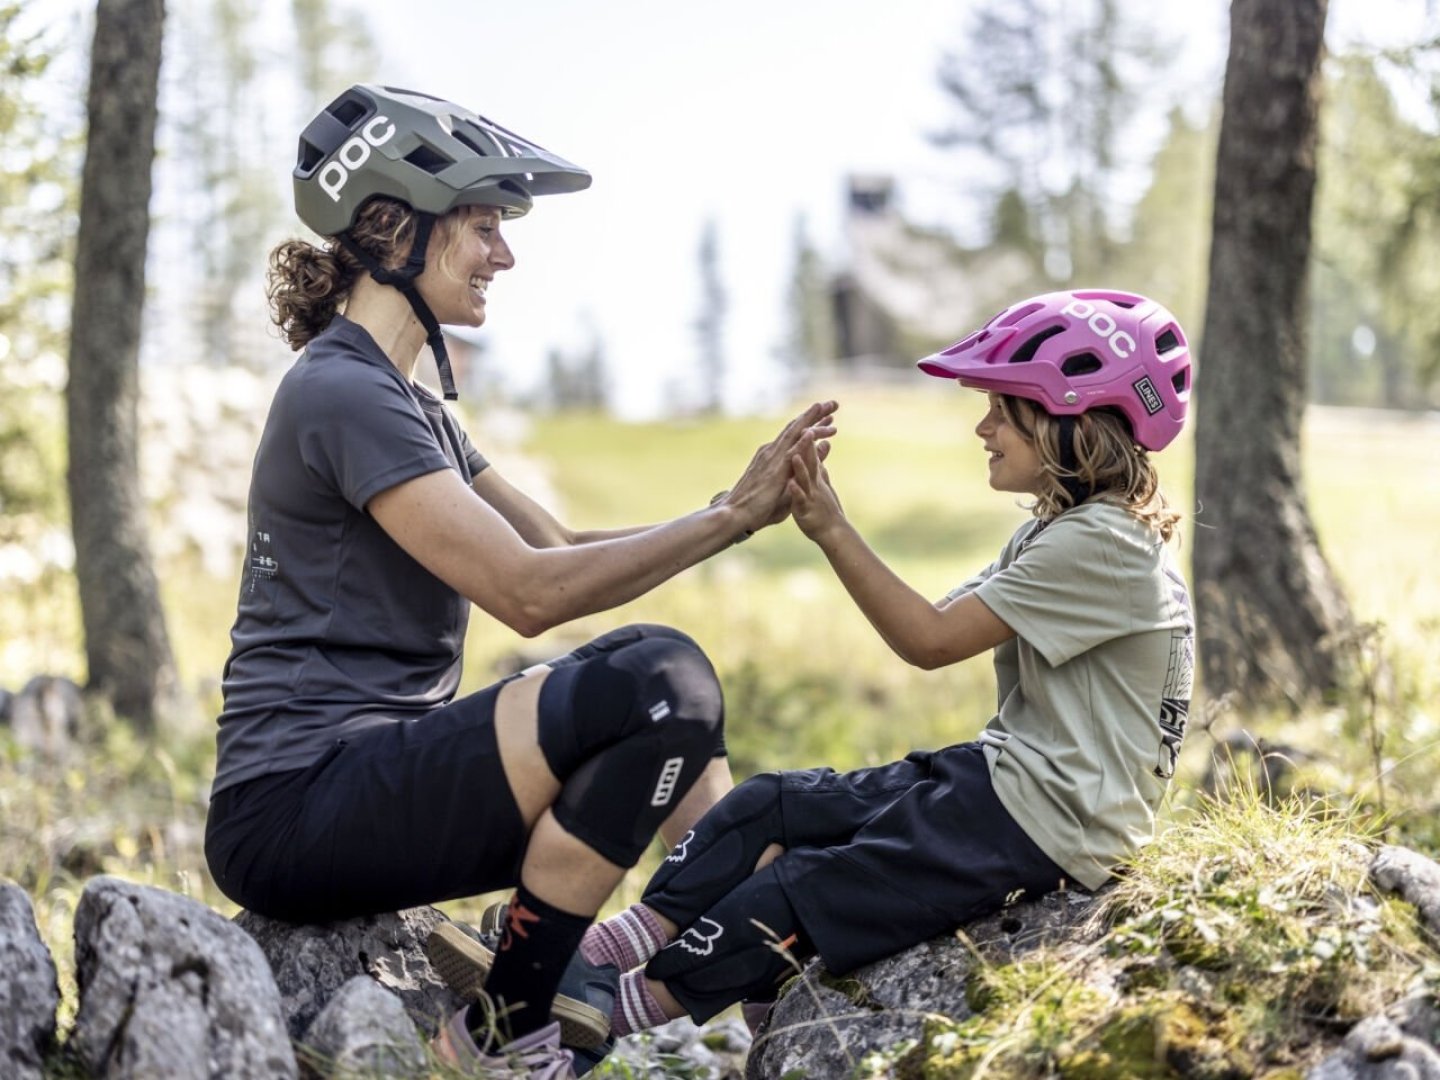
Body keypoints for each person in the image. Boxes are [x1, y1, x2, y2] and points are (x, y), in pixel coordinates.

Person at [201, 83, 836, 1077]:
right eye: (484, 225)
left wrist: (741, 506)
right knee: (659, 684)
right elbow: (529, 592)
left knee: (668, 685)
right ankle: (507, 1027)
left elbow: (559, 538)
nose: (505, 254)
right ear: (391, 227)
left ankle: (723, 961)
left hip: (369, 782)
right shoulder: (339, 390)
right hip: (294, 807)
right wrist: (726, 520)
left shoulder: (414, 407)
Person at [474, 288, 1196, 1040]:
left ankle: (584, 1026)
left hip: (1045, 824)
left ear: (1068, 416)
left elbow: (927, 640)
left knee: (796, 890)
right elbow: (928, 617)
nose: (982, 426)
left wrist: (830, 526)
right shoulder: (1070, 532)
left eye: (1001, 407)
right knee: (771, 803)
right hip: (1002, 784)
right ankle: (587, 955)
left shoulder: (1103, 545)